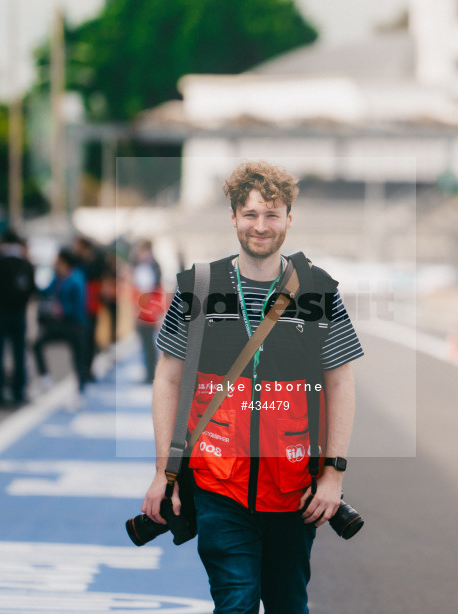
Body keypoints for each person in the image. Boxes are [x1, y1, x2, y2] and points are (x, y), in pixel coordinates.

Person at [142, 161, 364, 613]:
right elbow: (167, 378)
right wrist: (166, 474)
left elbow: (340, 383)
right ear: (233, 217)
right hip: (218, 485)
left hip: (294, 490)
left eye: (272, 214)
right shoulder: (197, 287)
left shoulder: (318, 290)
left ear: (288, 218)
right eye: (250, 214)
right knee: (237, 601)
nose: (260, 226)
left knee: (288, 605)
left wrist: (334, 476)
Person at [0, 230, 35, 407]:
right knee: (19, 354)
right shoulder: (26, 264)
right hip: (19, 314)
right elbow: (33, 289)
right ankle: (19, 392)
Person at [32, 247, 89, 395]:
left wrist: (62, 309)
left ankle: (81, 389)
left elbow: (80, 304)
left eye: (57, 260)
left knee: (78, 359)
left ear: (64, 262)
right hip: (60, 323)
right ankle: (45, 376)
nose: (54, 263)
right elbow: (45, 291)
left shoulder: (76, 279)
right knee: (37, 344)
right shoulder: (57, 278)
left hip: (75, 325)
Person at [130, 239, 164, 384]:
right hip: (146, 306)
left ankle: (151, 372)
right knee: (147, 342)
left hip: (147, 307)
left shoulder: (149, 266)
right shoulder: (149, 265)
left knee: (148, 342)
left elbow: (147, 289)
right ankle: (150, 371)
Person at [73, 236, 105, 378]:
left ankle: (87, 369)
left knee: (89, 339)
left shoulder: (94, 263)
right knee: (82, 340)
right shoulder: (78, 262)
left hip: (91, 303)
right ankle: (83, 370)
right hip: (84, 304)